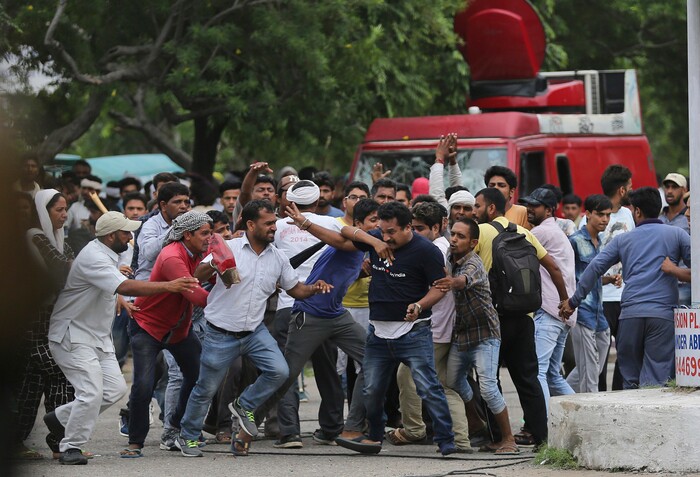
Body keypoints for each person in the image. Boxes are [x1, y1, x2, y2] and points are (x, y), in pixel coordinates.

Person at [285, 201, 458, 456]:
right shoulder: (377, 239)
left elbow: (440, 286)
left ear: (408, 227)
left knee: (428, 387)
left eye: (391, 233)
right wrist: (305, 223)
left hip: (413, 332)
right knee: (372, 390)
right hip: (378, 332)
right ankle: (374, 437)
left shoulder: (426, 251)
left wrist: (420, 306)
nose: (386, 237)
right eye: (382, 231)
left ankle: (446, 441)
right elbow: (342, 236)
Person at [175, 200, 332, 458]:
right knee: (206, 389)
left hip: (254, 332)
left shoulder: (279, 257)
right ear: (250, 224)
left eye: (274, 223)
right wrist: (215, 262)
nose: (274, 228)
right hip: (219, 333)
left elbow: (296, 290)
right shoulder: (230, 248)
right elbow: (199, 275)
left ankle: (244, 404)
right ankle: (188, 436)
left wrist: (315, 287)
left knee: (280, 371)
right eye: (268, 223)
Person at [43, 212, 199, 465]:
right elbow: (124, 285)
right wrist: (168, 286)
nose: (130, 236)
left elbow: (106, 285)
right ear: (110, 235)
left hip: (96, 337)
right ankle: (71, 447)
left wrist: (120, 300)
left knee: (113, 389)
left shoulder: (107, 253)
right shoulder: (94, 256)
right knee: (91, 392)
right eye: (126, 232)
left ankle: (60, 419)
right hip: (72, 335)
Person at [560, 187, 691, 389]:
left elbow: (594, 268)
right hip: (662, 315)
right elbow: (696, 270)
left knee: (630, 378)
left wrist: (573, 301)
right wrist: (674, 270)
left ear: (637, 212)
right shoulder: (678, 235)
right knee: (656, 377)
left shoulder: (624, 240)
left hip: (630, 315)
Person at [471, 187, 569, 447]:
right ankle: (541, 435)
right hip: (525, 317)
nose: (473, 211)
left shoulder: (480, 233)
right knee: (527, 378)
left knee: (489, 379)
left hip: (494, 318)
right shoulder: (524, 232)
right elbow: (553, 268)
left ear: (491, 208)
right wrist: (564, 300)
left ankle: (499, 436)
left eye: (477, 206)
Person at [122, 212, 212, 457]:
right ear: (187, 235)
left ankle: (175, 426)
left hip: (178, 329)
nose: (209, 238)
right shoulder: (173, 256)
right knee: (144, 384)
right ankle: (135, 442)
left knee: (197, 376)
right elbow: (195, 295)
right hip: (148, 326)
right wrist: (227, 302)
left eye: (210, 232)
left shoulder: (200, 252)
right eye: (204, 233)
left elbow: (214, 270)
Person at [388, 202, 472, 452]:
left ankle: (414, 429)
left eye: (420, 228)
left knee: (407, 375)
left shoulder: (433, 250)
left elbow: (438, 290)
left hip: (435, 329)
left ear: (437, 226)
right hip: (444, 329)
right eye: (412, 228)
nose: (415, 233)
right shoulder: (440, 246)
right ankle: (460, 439)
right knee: (444, 385)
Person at [435, 217, 519, 455]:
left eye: (461, 236)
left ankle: (509, 439)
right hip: (462, 335)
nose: (454, 239)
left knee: (489, 388)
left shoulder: (474, 263)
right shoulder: (450, 259)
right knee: (453, 381)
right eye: (453, 234)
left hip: (485, 335)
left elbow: (464, 280)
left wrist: (453, 281)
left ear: (473, 243)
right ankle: (477, 423)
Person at [15, 190, 75, 460]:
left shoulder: (63, 241)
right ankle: (56, 442)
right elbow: (63, 266)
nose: (64, 215)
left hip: (53, 326)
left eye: (66, 209)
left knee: (34, 386)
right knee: (58, 378)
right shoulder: (35, 236)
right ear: (43, 211)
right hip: (32, 327)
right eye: (58, 210)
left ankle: (54, 444)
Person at [519, 187, 577, 409]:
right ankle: (579, 420)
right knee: (553, 375)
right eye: (528, 204)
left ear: (550, 210)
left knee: (538, 372)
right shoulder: (554, 231)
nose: (529, 209)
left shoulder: (541, 232)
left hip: (550, 312)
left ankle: (544, 429)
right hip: (561, 313)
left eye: (535, 205)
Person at [566, 195, 615, 393]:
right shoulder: (574, 242)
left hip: (598, 312)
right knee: (589, 373)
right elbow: (570, 278)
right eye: (600, 214)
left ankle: (555, 396)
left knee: (592, 367)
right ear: (588, 214)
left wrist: (609, 279)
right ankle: (590, 415)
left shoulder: (600, 241)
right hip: (582, 310)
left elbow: (590, 277)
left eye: (608, 215)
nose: (604, 219)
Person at [659, 173, 690, 306]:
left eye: (674, 187)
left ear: (684, 190)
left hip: (685, 283)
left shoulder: (690, 217)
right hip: (661, 284)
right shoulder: (659, 218)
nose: (669, 191)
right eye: (667, 187)